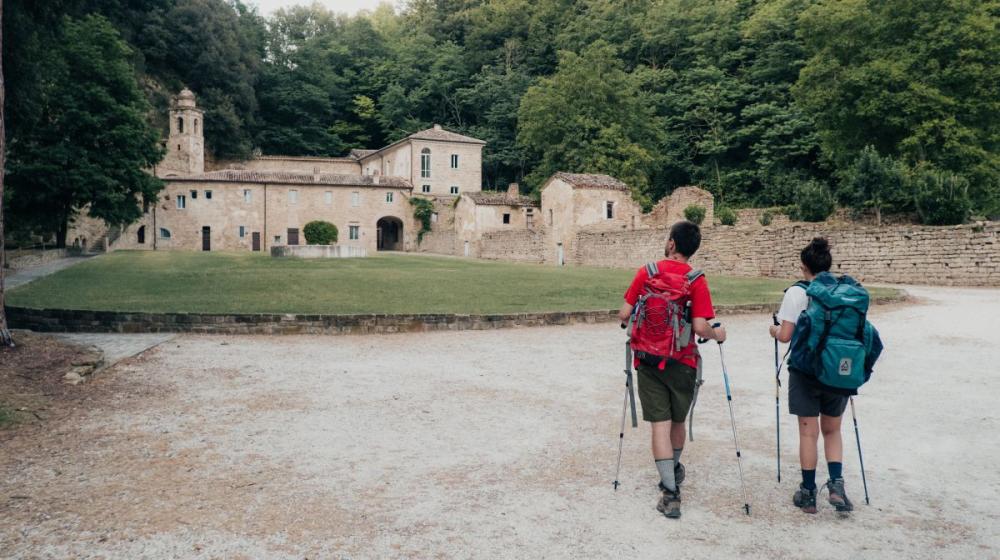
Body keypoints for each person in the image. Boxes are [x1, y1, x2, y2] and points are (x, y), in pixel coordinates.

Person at [617, 220, 726, 519]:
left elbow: (624, 314)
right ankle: (673, 470)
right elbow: (701, 327)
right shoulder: (696, 280)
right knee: (677, 422)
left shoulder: (647, 272)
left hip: (647, 360)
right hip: (682, 361)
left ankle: (670, 492)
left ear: (671, 243)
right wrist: (718, 334)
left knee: (659, 426)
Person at [770, 237, 854, 514]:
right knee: (833, 430)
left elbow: (785, 336)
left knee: (808, 432)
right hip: (838, 370)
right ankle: (837, 486)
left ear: (803, 266)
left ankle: (808, 493)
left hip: (805, 370)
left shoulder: (796, 293)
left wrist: (773, 330)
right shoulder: (844, 291)